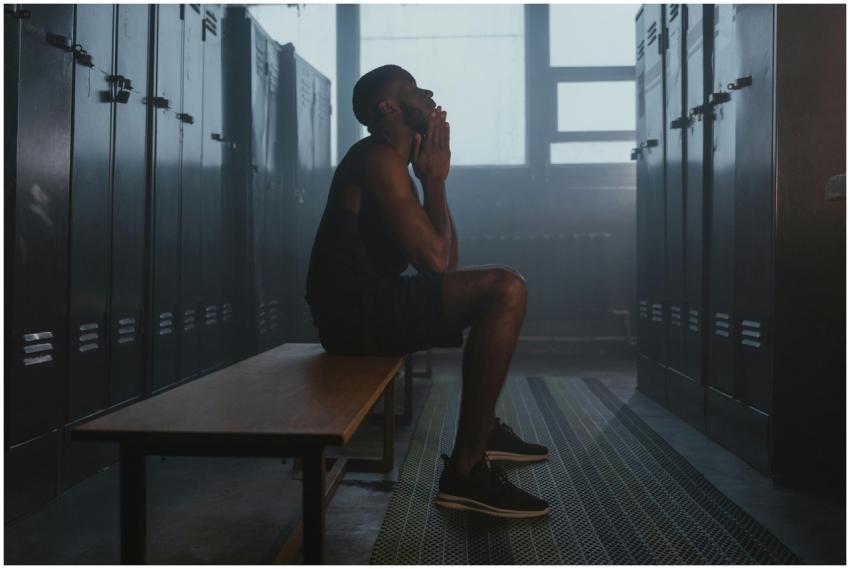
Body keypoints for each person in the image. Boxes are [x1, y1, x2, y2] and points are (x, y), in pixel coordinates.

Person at [305, 65, 550, 518]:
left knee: (503, 286)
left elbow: (444, 264)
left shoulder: (393, 165)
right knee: (506, 288)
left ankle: (483, 431)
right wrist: (434, 182)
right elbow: (439, 264)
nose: (429, 92)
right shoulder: (376, 158)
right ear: (389, 107)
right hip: (355, 316)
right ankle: (466, 471)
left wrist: (431, 181)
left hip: (369, 306)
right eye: (415, 89)